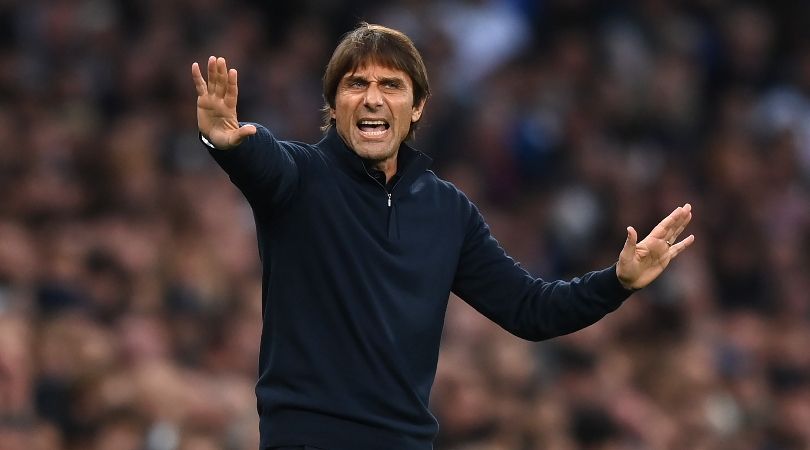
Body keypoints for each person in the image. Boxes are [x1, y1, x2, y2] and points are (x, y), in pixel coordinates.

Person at [190, 22, 694, 450]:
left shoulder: (447, 210)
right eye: (355, 83)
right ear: (334, 104)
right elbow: (260, 161)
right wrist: (224, 141)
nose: (372, 98)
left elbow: (530, 309)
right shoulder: (299, 176)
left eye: (391, 85)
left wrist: (618, 282)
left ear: (418, 107)